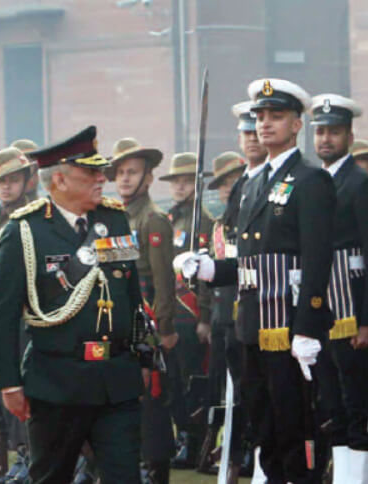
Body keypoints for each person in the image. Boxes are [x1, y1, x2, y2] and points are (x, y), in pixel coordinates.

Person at [176, 78, 336, 483]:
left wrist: (307, 327)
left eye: (276, 116)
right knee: (263, 429)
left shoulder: (310, 180)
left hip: (288, 325)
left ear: (297, 124)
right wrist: (210, 268)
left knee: (295, 429)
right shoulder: (250, 185)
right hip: (250, 325)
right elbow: (249, 261)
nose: (264, 125)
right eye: (260, 117)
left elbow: (318, 260)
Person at [0, 126, 146, 483]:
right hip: (57, 381)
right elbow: (3, 313)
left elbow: (131, 293)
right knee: (52, 477)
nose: (101, 178)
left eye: (100, 170)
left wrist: (143, 353)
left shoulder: (114, 219)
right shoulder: (24, 231)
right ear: (58, 179)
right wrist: (8, 383)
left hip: (115, 378)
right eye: (90, 172)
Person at [309, 93, 368, 482]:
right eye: (320, 132)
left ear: (349, 136)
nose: (325, 139)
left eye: (334, 132)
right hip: (322, 311)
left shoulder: (362, 185)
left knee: (358, 401)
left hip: (353, 308)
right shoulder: (313, 181)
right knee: (331, 403)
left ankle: (361, 475)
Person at [106, 136, 178, 483]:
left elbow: (164, 282)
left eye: (132, 172)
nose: (125, 179)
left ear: (149, 178)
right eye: (119, 172)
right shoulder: (113, 219)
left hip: (148, 324)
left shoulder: (153, 221)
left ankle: (155, 467)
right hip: (120, 323)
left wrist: (164, 329)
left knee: (152, 399)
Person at [209, 101, 269, 480]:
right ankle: (248, 455)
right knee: (245, 392)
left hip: (271, 307)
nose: (251, 138)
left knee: (272, 398)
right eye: (245, 132)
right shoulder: (244, 188)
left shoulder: (283, 181)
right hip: (234, 309)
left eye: (256, 130)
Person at [0, 147, 36, 484]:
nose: (5, 187)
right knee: (1, 380)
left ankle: (33, 453)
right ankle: (18, 451)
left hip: (24, 308)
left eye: (12, 180)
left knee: (25, 382)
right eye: (0, 181)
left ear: (27, 181)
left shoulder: (34, 216)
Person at [158, 151, 214, 470]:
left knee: (192, 380)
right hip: (171, 311)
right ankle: (181, 435)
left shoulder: (202, 220)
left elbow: (206, 276)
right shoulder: (169, 218)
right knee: (173, 381)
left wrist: (204, 316)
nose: (179, 187)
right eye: (175, 181)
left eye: (185, 181)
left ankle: (194, 440)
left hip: (191, 311)